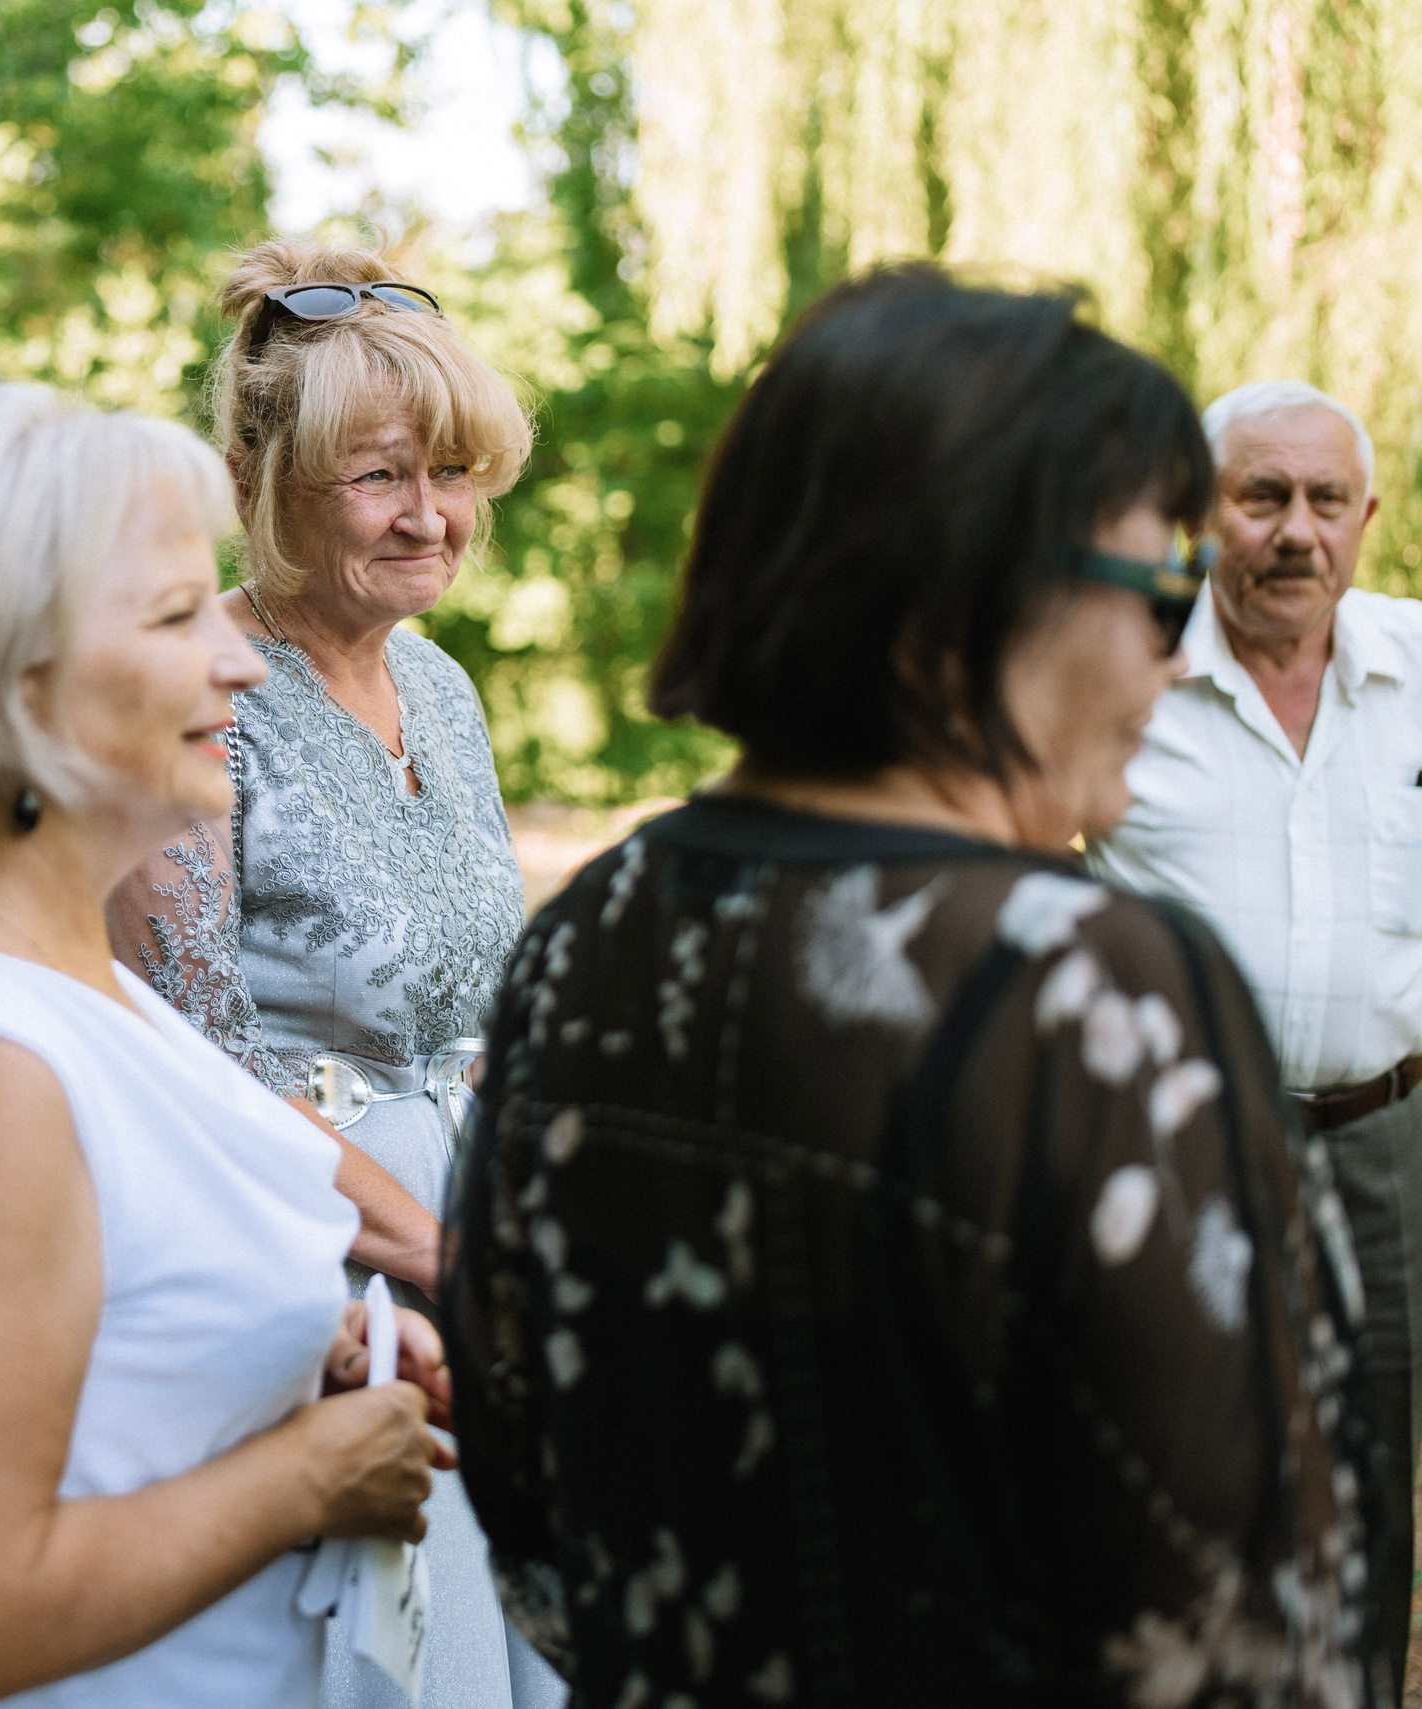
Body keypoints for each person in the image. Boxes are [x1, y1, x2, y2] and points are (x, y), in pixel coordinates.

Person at [445, 268, 1382, 1707]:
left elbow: (528, 1498)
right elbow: (1255, 1629)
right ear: (975, 595)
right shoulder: (1097, 989)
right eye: (1160, 585)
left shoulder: (588, 934)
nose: (1171, 649)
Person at [0, 382, 456, 1709]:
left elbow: (96, 1319)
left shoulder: (37, 947)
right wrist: (313, 1473)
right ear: (15, 679)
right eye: (173, 616)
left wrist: (310, 1341)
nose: (242, 659)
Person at [107, 240, 564, 1709]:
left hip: (465, 1246)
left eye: (455, 472)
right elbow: (187, 1077)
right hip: (297, 1267)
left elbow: (475, 1004)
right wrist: (439, 1260)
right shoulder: (200, 699)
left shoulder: (444, 684)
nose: (432, 516)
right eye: (381, 477)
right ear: (263, 479)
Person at [1089, 378, 1422, 1676]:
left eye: (1326, 500)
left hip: (1387, 1139)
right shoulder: (1121, 663)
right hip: (1179, 1150)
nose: (1297, 532)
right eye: (1261, 496)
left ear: (1367, 516)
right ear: (1197, 512)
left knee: (1372, 1490)